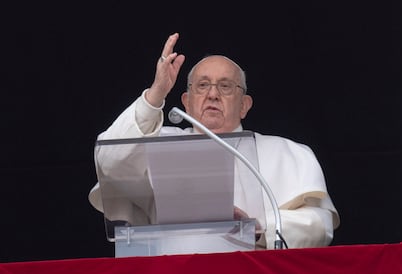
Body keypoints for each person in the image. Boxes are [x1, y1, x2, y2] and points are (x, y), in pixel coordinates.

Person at [89, 32, 340, 250]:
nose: (212, 94)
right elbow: (109, 161)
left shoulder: (285, 151)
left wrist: (258, 228)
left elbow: (319, 224)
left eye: (225, 86)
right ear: (186, 101)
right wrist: (156, 94)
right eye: (202, 85)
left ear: (244, 105)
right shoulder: (157, 143)